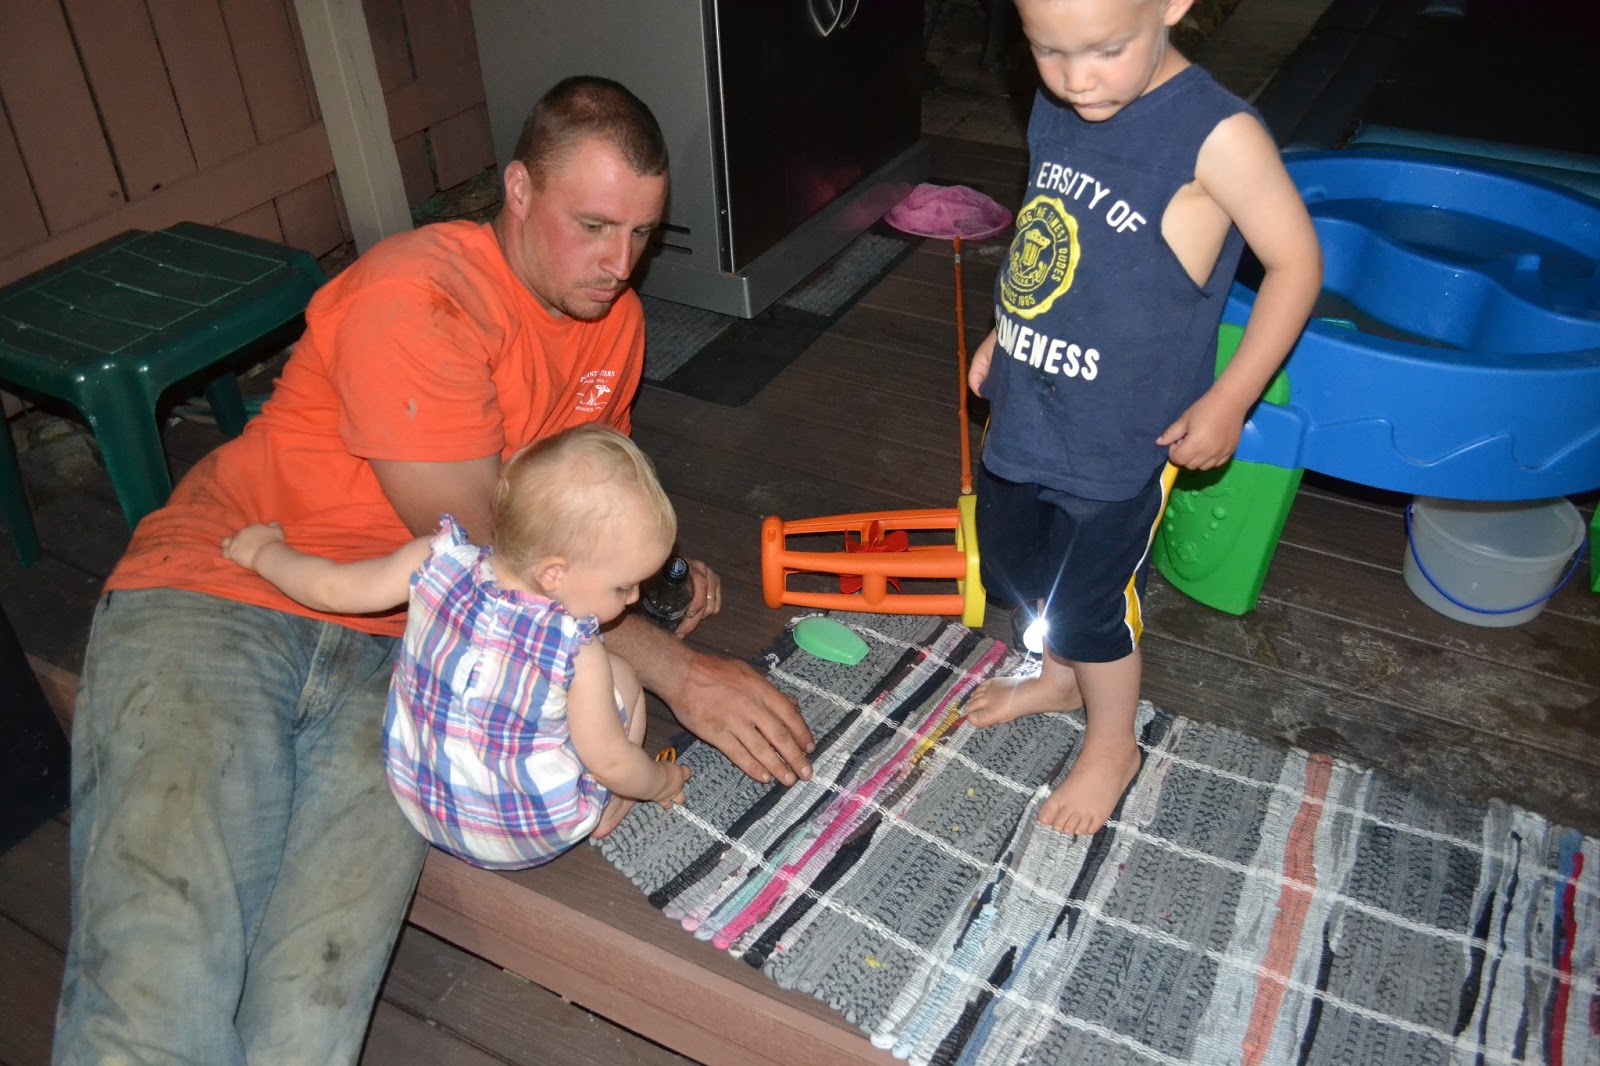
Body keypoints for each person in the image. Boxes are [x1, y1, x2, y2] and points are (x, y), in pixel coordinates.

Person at [53, 75, 813, 1065]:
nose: (617, 264)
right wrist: (679, 671)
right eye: (592, 227)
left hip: (418, 662)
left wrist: (642, 568)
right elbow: (497, 555)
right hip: (227, 589)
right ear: (518, 190)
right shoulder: (419, 294)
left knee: (309, 1009)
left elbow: (567, 517)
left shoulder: (613, 322)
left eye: (640, 235)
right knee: (155, 978)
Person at [962, 0, 1322, 835]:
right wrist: (1005, 328)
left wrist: (1230, 396)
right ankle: (1060, 678)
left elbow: (1296, 262)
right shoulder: (1058, 102)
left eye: (1105, 50)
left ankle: (1112, 742)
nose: (1075, 78)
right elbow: (1054, 237)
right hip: (1029, 403)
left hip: (1124, 434)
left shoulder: (1217, 137)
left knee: (1094, 599)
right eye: (1047, 51)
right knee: (1020, 562)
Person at [221, 424, 694, 870]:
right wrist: (660, 781)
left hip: (418, 797)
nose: (633, 598)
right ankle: (612, 802)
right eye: (622, 587)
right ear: (553, 573)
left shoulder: (434, 561)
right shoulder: (576, 653)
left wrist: (263, 553)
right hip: (526, 833)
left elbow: (331, 589)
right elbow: (609, 759)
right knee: (622, 676)